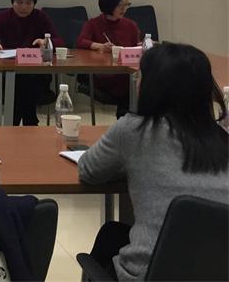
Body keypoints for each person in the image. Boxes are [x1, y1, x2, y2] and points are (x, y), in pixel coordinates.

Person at [78, 43, 228, 281]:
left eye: (140, 76)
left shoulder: (134, 130)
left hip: (152, 274)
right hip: (216, 272)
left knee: (110, 239)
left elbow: (88, 170)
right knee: (113, 234)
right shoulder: (221, 138)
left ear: (152, 86)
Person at [0, 0, 64, 125]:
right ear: (12, 2)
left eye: (28, 3)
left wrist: (46, 42)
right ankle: (30, 122)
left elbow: (59, 41)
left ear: (34, 3)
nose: (23, 7)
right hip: (10, 72)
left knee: (25, 85)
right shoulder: (3, 17)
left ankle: (14, 123)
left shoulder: (41, 17)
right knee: (22, 85)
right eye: (19, 2)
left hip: (36, 73)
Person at [77, 0, 141, 117]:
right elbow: (81, 42)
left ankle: (127, 120)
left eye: (126, 4)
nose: (124, 9)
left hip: (126, 74)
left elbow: (137, 47)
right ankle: (125, 121)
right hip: (104, 76)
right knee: (130, 88)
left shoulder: (131, 25)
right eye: (120, 5)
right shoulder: (94, 24)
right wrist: (99, 46)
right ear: (109, 4)